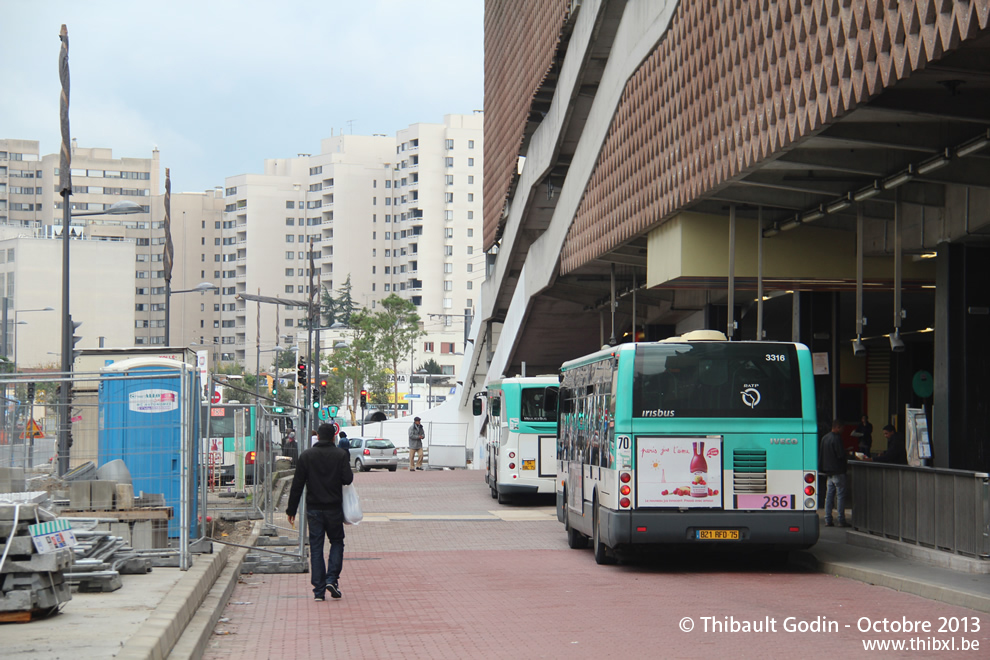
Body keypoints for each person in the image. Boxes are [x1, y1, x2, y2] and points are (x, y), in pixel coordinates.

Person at [286, 423, 354, 601]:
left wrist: (291, 509)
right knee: (337, 542)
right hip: (334, 508)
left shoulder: (306, 456)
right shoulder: (340, 455)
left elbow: (297, 484)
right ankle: (332, 579)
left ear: (318, 437)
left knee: (316, 547)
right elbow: (348, 478)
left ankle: (318, 590)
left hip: (314, 509)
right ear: (333, 437)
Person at [818, 419, 850, 528]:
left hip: (828, 472)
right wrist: (847, 454)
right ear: (838, 427)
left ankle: (828, 519)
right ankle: (841, 519)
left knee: (829, 496)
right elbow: (840, 455)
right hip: (838, 470)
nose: (843, 430)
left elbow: (822, 454)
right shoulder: (837, 439)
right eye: (842, 428)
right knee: (840, 496)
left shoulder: (825, 438)